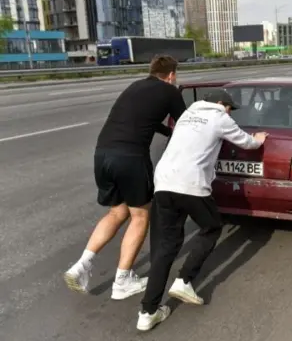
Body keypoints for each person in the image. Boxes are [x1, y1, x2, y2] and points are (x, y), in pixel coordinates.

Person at [136, 89, 268, 331]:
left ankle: (147, 312)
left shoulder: (187, 114)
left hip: (164, 183)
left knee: (165, 247)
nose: (230, 112)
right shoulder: (219, 117)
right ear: (220, 104)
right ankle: (184, 280)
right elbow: (245, 142)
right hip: (192, 184)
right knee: (212, 227)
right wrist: (258, 138)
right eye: (230, 107)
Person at [64, 55, 187, 300]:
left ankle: (81, 265)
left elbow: (144, 120)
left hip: (103, 154)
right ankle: (122, 281)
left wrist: (165, 131)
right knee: (140, 216)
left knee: (117, 212)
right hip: (130, 157)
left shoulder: (134, 87)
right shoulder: (170, 91)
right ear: (171, 75)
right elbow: (186, 123)